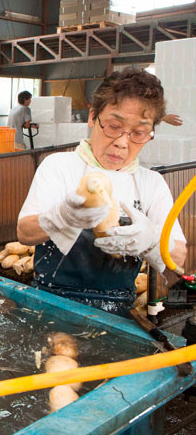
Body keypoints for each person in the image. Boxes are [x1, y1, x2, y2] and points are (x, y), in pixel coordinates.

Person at [16, 68, 187, 316]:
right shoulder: (59, 166)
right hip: (50, 303)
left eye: (138, 133)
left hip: (118, 313)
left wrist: (152, 240)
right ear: (93, 117)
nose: (122, 142)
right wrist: (62, 217)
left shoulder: (150, 183)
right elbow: (24, 233)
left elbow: (178, 257)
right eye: (114, 126)